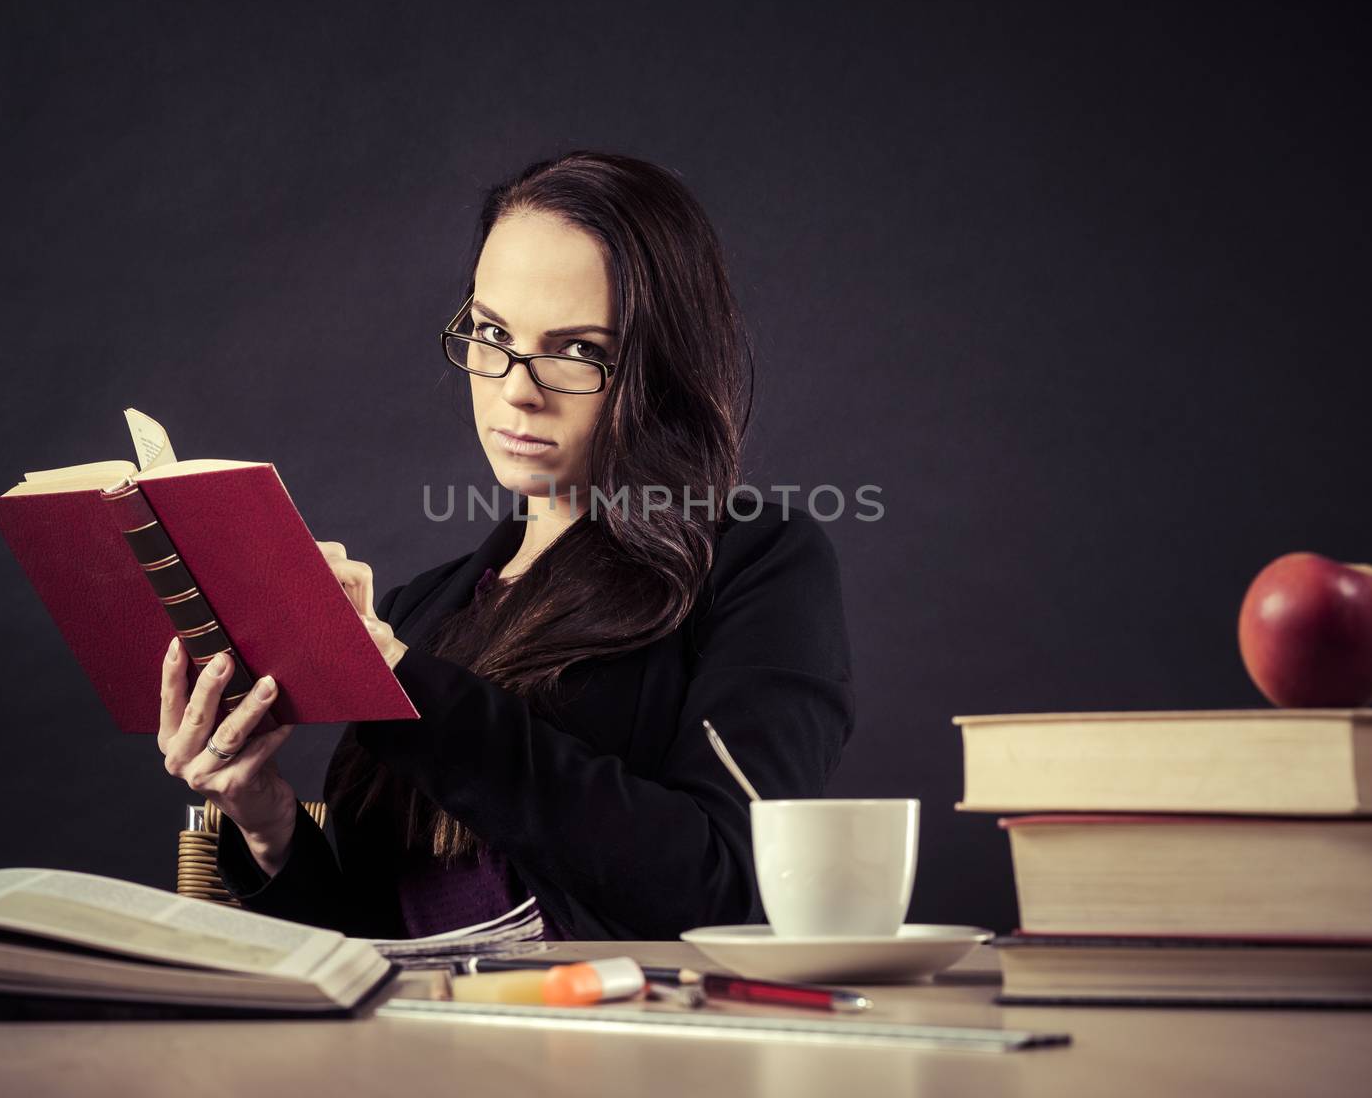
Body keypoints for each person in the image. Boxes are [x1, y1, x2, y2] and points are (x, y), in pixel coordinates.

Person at [154, 150, 855, 940]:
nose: (518, 387)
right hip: (397, 1055)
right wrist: (267, 818)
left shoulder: (755, 563)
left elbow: (719, 888)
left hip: (608, 1047)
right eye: (492, 333)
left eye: (579, 350)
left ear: (662, 365)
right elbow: (378, 940)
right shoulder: (422, 610)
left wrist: (403, 688)